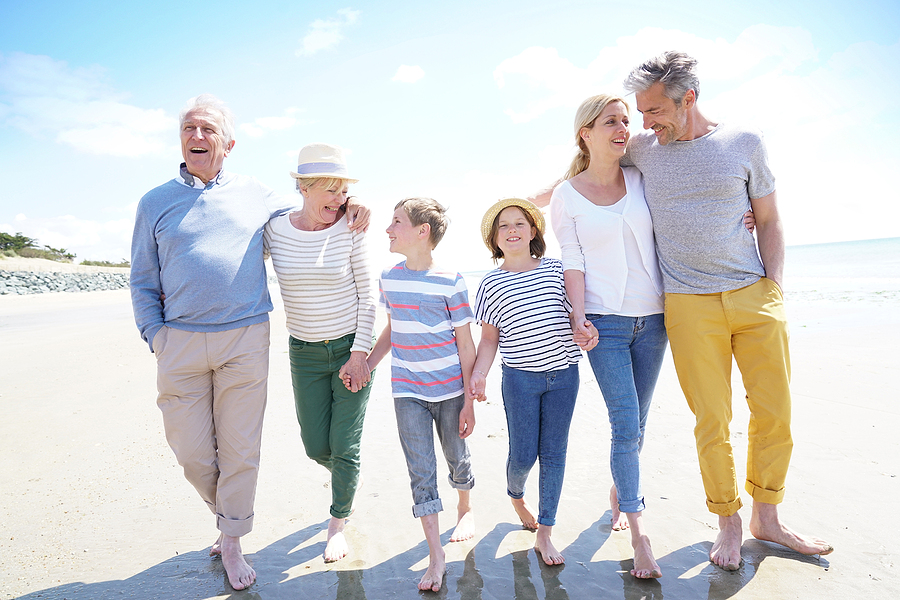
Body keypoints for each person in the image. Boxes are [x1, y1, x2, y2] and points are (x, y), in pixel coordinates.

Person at [130, 95, 368, 590]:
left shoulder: (258, 194)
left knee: (240, 449)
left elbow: (314, 209)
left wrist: (353, 205)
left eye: (209, 130)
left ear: (229, 144)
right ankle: (229, 516)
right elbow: (141, 278)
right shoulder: (153, 202)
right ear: (181, 139)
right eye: (190, 129)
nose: (198, 137)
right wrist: (156, 335)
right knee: (192, 452)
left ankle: (233, 538)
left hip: (245, 338)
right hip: (180, 342)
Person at [621, 50, 833, 570]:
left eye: (653, 111)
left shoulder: (743, 142)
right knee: (711, 420)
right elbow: (587, 171)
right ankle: (729, 522)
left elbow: (770, 219)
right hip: (689, 305)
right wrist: (519, 208)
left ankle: (768, 516)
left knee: (775, 413)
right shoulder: (644, 149)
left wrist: (774, 288)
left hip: (754, 296)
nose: (644, 123)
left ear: (687, 98)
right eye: (641, 113)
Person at [549, 94, 669, 579]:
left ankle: (621, 492)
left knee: (637, 422)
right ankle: (640, 535)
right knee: (625, 421)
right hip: (606, 324)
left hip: (656, 319)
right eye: (610, 122)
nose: (623, 129)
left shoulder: (642, 178)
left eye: (625, 121)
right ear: (585, 132)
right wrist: (577, 315)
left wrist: (739, 221)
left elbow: (681, 219)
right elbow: (572, 261)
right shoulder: (566, 195)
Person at [264, 143, 376, 563]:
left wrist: (360, 353)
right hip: (305, 353)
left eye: (343, 190)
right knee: (316, 446)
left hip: (352, 349)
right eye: (329, 189)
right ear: (304, 188)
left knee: (344, 446)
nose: (339, 198)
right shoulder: (275, 230)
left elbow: (369, 296)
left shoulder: (351, 226)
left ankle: (337, 522)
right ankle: (348, 477)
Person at [470, 198, 597, 567]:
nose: (512, 230)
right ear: (495, 239)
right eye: (503, 226)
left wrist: (584, 330)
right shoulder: (490, 283)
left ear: (533, 231)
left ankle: (546, 532)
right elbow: (490, 339)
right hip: (519, 381)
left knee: (555, 454)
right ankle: (515, 494)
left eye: (519, 224)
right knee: (524, 455)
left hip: (564, 377)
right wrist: (479, 373)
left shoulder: (558, 270)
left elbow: (577, 315)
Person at [365, 198, 477, 592]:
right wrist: (367, 362)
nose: (388, 229)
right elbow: (394, 330)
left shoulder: (451, 279)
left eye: (396, 222)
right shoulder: (389, 277)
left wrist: (468, 399)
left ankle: (465, 507)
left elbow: (466, 344)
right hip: (407, 391)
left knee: (456, 460)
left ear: (422, 231)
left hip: (449, 391)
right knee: (421, 472)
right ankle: (436, 555)